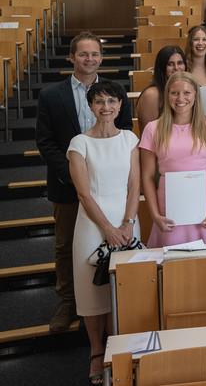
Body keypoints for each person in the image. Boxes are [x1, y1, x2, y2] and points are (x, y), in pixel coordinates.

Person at [37, 33, 134, 332]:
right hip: (68, 185)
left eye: (94, 54)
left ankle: (108, 308)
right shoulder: (52, 95)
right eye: (83, 54)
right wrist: (73, 173)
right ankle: (67, 301)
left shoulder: (116, 92)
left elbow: (124, 131)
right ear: (71, 57)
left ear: (101, 58)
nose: (89, 59)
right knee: (67, 246)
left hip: (109, 187)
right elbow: (46, 142)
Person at [66, 80, 140, 384]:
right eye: (99, 102)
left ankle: (119, 348)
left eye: (112, 101)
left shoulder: (130, 139)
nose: (106, 107)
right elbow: (84, 194)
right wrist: (108, 229)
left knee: (123, 288)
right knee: (91, 292)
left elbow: (134, 185)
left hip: (126, 222)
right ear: (91, 106)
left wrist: (126, 223)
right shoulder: (79, 143)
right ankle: (96, 351)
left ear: (120, 105)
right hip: (93, 225)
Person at [139, 72, 206, 248]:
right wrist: (155, 214)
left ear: (196, 95)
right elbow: (147, 176)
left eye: (187, 93)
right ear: (167, 96)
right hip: (169, 207)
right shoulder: (153, 128)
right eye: (174, 93)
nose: (180, 98)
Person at [135, 45, 186, 134]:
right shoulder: (151, 95)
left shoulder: (187, 92)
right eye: (170, 64)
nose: (176, 68)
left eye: (180, 63)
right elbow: (149, 137)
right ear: (162, 67)